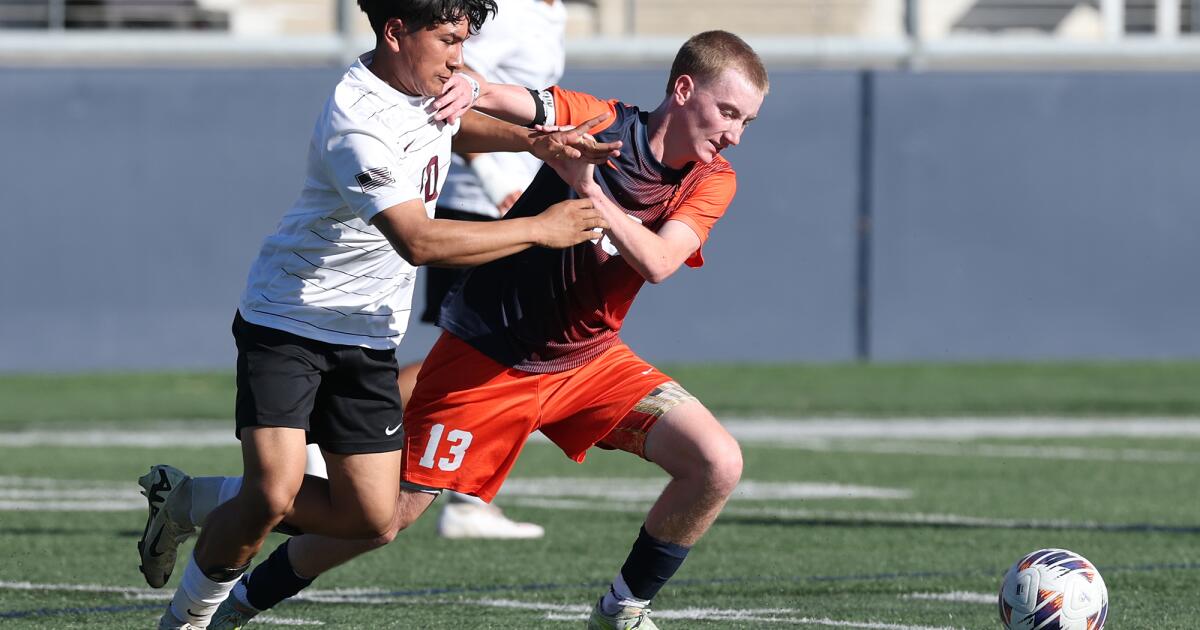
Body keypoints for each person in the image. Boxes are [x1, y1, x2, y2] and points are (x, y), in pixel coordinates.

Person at [200, 29, 767, 630]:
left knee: (717, 463)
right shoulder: (602, 122)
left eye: (746, 121)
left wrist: (588, 192)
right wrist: (474, 86)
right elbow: (523, 103)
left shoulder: (714, 178)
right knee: (379, 521)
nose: (734, 133)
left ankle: (623, 608)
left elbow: (656, 262)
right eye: (728, 112)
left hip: (591, 362)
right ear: (683, 89)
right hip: (490, 360)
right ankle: (230, 591)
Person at [134, 1, 621, 628]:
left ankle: (188, 498)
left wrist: (539, 142)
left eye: (463, 40)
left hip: (367, 334)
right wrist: (539, 229)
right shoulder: (354, 119)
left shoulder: (420, 87)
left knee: (371, 519)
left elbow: (452, 127)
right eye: (448, 39)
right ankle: (185, 622)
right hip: (290, 319)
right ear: (396, 31)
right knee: (272, 493)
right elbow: (417, 240)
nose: (459, 58)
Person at [401, 0, 571, 541]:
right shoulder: (511, 9)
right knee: (487, 351)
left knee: (497, 352)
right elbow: (455, 89)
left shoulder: (551, 11)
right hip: (486, 201)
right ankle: (330, 422)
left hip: (520, 197)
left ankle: (466, 496)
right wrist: (499, 183)